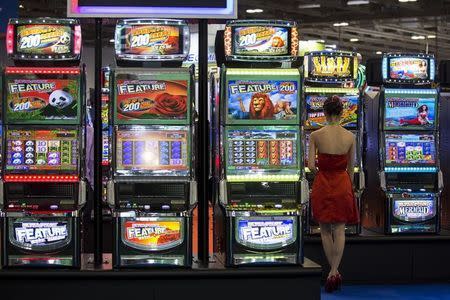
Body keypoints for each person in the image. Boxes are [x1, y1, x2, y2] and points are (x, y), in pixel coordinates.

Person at [308, 95, 359, 293]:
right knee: (339, 229)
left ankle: (333, 272)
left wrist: (321, 172)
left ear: (325, 112)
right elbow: (352, 167)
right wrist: (350, 185)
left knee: (325, 230)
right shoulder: (350, 137)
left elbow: (311, 165)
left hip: (323, 181)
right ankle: (334, 272)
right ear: (341, 112)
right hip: (342, 183)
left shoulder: (316, 135)